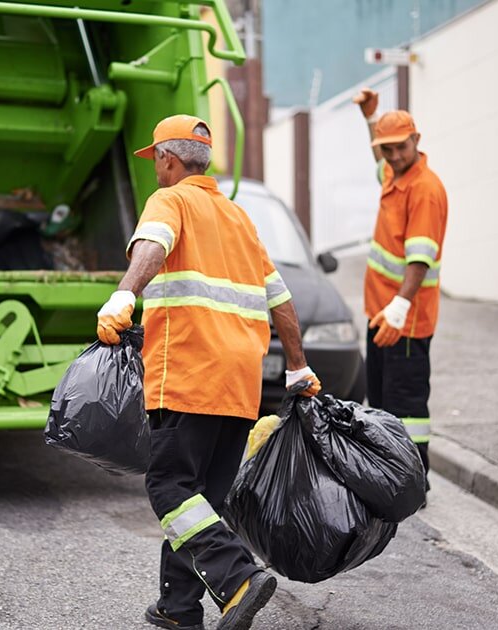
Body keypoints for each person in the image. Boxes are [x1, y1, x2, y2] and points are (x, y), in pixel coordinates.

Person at [96, 114, 321, 630]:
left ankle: (237, 577)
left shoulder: (170, 200)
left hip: (188, 372)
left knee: (170, 487)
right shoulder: (239, 218)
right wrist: (297, 366)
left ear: (168, 160)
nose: (155, 169)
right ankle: (178, 609)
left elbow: (151, 246)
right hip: (239, 383)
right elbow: (280, 299)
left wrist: (124, 293)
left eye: (155, 160)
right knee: (201, 500)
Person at [351, 89, 448, 481]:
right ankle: (388, 473)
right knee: (383, 400)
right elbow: (380, 160)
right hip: (382, 315)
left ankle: (412, 479)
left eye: (399, 148)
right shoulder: (395, 175)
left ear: (417, 141)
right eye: (387, 149)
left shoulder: (425, 190)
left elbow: (420, 259)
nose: (392, 156)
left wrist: (399, 308)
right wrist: (370, 118)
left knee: (407, 405)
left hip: (404, 321)